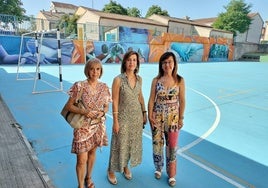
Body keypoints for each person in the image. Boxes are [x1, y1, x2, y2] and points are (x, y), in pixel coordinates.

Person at [65, 58, 111, 188]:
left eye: (98, 69)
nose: (95, 72)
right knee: (81, 160)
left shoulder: (104, 87)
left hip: (97, 126)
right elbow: (69, 106)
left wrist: (103, 112)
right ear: (87, 70)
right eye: (92, 69)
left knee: (92, 153)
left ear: (101, 71)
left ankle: (88, 177)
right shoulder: (79, 86)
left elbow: (106, 106)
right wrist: (84, 112)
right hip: (82, 127)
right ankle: (80, 185)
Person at [107, 50, 147, 185]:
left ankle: (125, 166)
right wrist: (115, 121)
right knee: (118, 143)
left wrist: (144, 112)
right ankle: (111, 170)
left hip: (136, 117)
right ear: (124, 62)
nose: (132, 62)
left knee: (130, 143)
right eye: (129, 60)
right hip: (123, 117)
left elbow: (140, 97)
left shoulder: (139, 79)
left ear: (137, 63)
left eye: (134, 60)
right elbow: (115, 101)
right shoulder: (118, 80)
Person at [147, 51, 185, 187]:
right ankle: (158, 168)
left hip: (173, 119)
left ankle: (171, 174)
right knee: (157, 143)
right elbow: (152, 99)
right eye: (164, 62)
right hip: (157, 116)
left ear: (174, 64)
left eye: (169, 62)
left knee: (172, 146)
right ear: (161, 65)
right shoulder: (156, 80)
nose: (167, 65)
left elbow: (182, 100)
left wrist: (181, 118)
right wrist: (150, 115)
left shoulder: (179, 80)